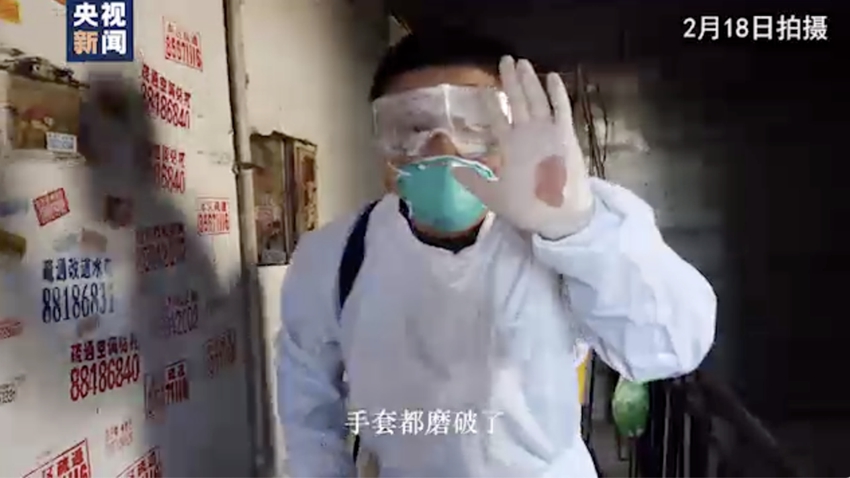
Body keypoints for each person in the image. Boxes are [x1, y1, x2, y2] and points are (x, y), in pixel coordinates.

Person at [276, 28, 716, 477]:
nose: (444, 151)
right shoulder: (335, 256)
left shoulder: (572, 223)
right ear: (381, 142)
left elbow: (671, 347)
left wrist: (577, 229)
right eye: (414, 128)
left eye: (474, 126)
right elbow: (308, 411)